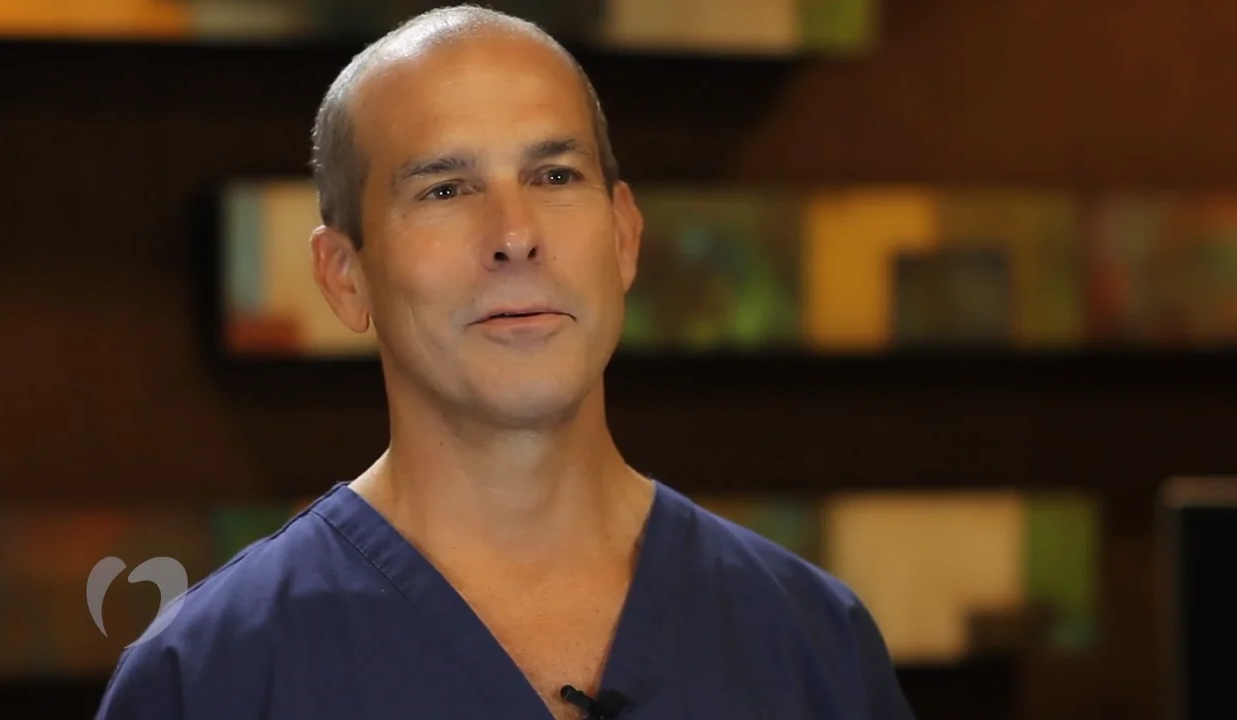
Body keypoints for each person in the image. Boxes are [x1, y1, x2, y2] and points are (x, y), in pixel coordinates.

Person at [95, 5, 915, 719]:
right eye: (445, 190)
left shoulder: (815, 643)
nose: (515, 235)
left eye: (554, 175)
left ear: (624, 238)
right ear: (345, 276)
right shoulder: (213, 676)